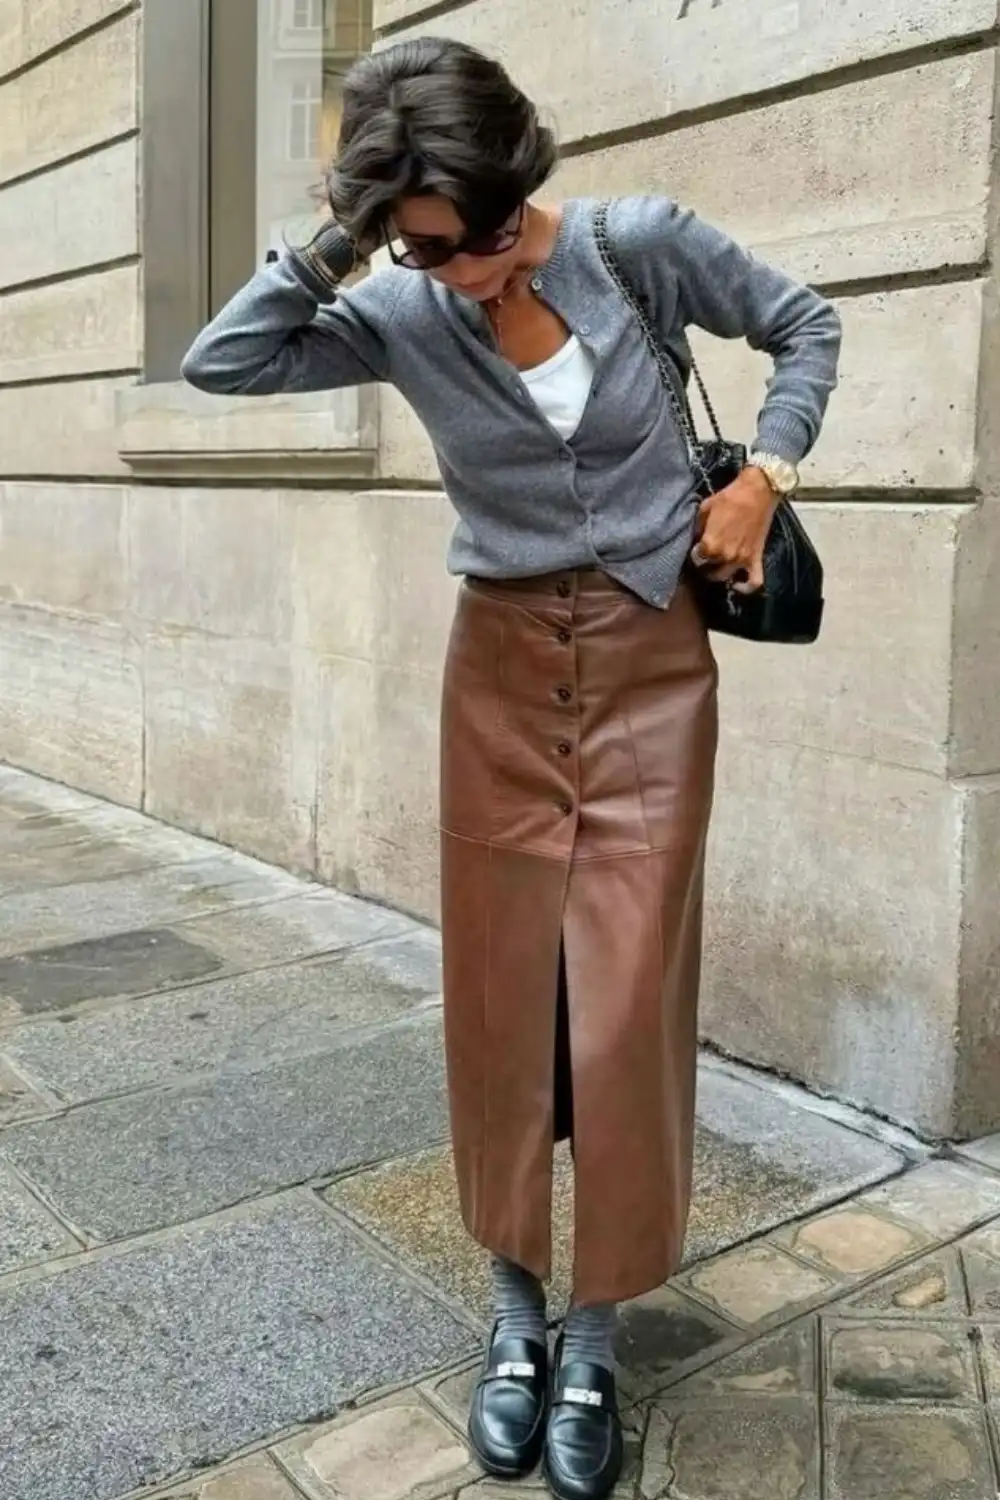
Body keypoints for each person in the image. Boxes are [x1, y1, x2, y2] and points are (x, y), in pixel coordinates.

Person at [182, 35, 841, 1500]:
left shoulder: (639, 248)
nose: (462, 273)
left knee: (615, 1010)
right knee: (503, 1008)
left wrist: (759, 476)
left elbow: (808, 328)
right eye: (422, 244)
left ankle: (596, 1337)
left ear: (515, 190)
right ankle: (512, 1320)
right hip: (494, 682)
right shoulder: (400, 299)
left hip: (653, 672)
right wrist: (352, 238)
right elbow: (217, 361)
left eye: (474, 238)